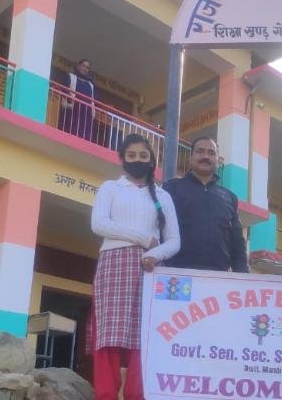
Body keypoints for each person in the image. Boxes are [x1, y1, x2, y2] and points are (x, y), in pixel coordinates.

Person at [90, 134, 180, 400]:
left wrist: (155, 254)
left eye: (143, 156)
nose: (137, 160)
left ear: (152, 160)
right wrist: (144, 239)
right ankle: (105, 394)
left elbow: (175, 241)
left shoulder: (163, 196)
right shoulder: (110, 188)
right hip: (113, 266)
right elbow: (99, 224)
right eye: (132, 155)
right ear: (122, 159)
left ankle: (136, 395)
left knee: (144, 337)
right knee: (109, 335)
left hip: (149, 270)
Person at [163, 136, 248, 272]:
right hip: (176, 277)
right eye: (200, 151)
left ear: (218, 160)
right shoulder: (171, 188)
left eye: (211, 153)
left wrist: (243, 276)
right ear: (191, 157)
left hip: (216, 279)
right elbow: (159, 228)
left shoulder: (229, 197)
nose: (206, 156)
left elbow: (237, 244)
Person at [59, 59, 96, 141]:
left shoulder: (90, 84)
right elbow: (64, 90)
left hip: (86, 115)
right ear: (78, 66)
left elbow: (93, 100)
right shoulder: (71, 77)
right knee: (71, 133)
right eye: (83, 66)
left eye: (87, 67)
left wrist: (93, 112)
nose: (85, 69)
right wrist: (71, 100)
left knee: (84, 137)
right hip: (73, 111)